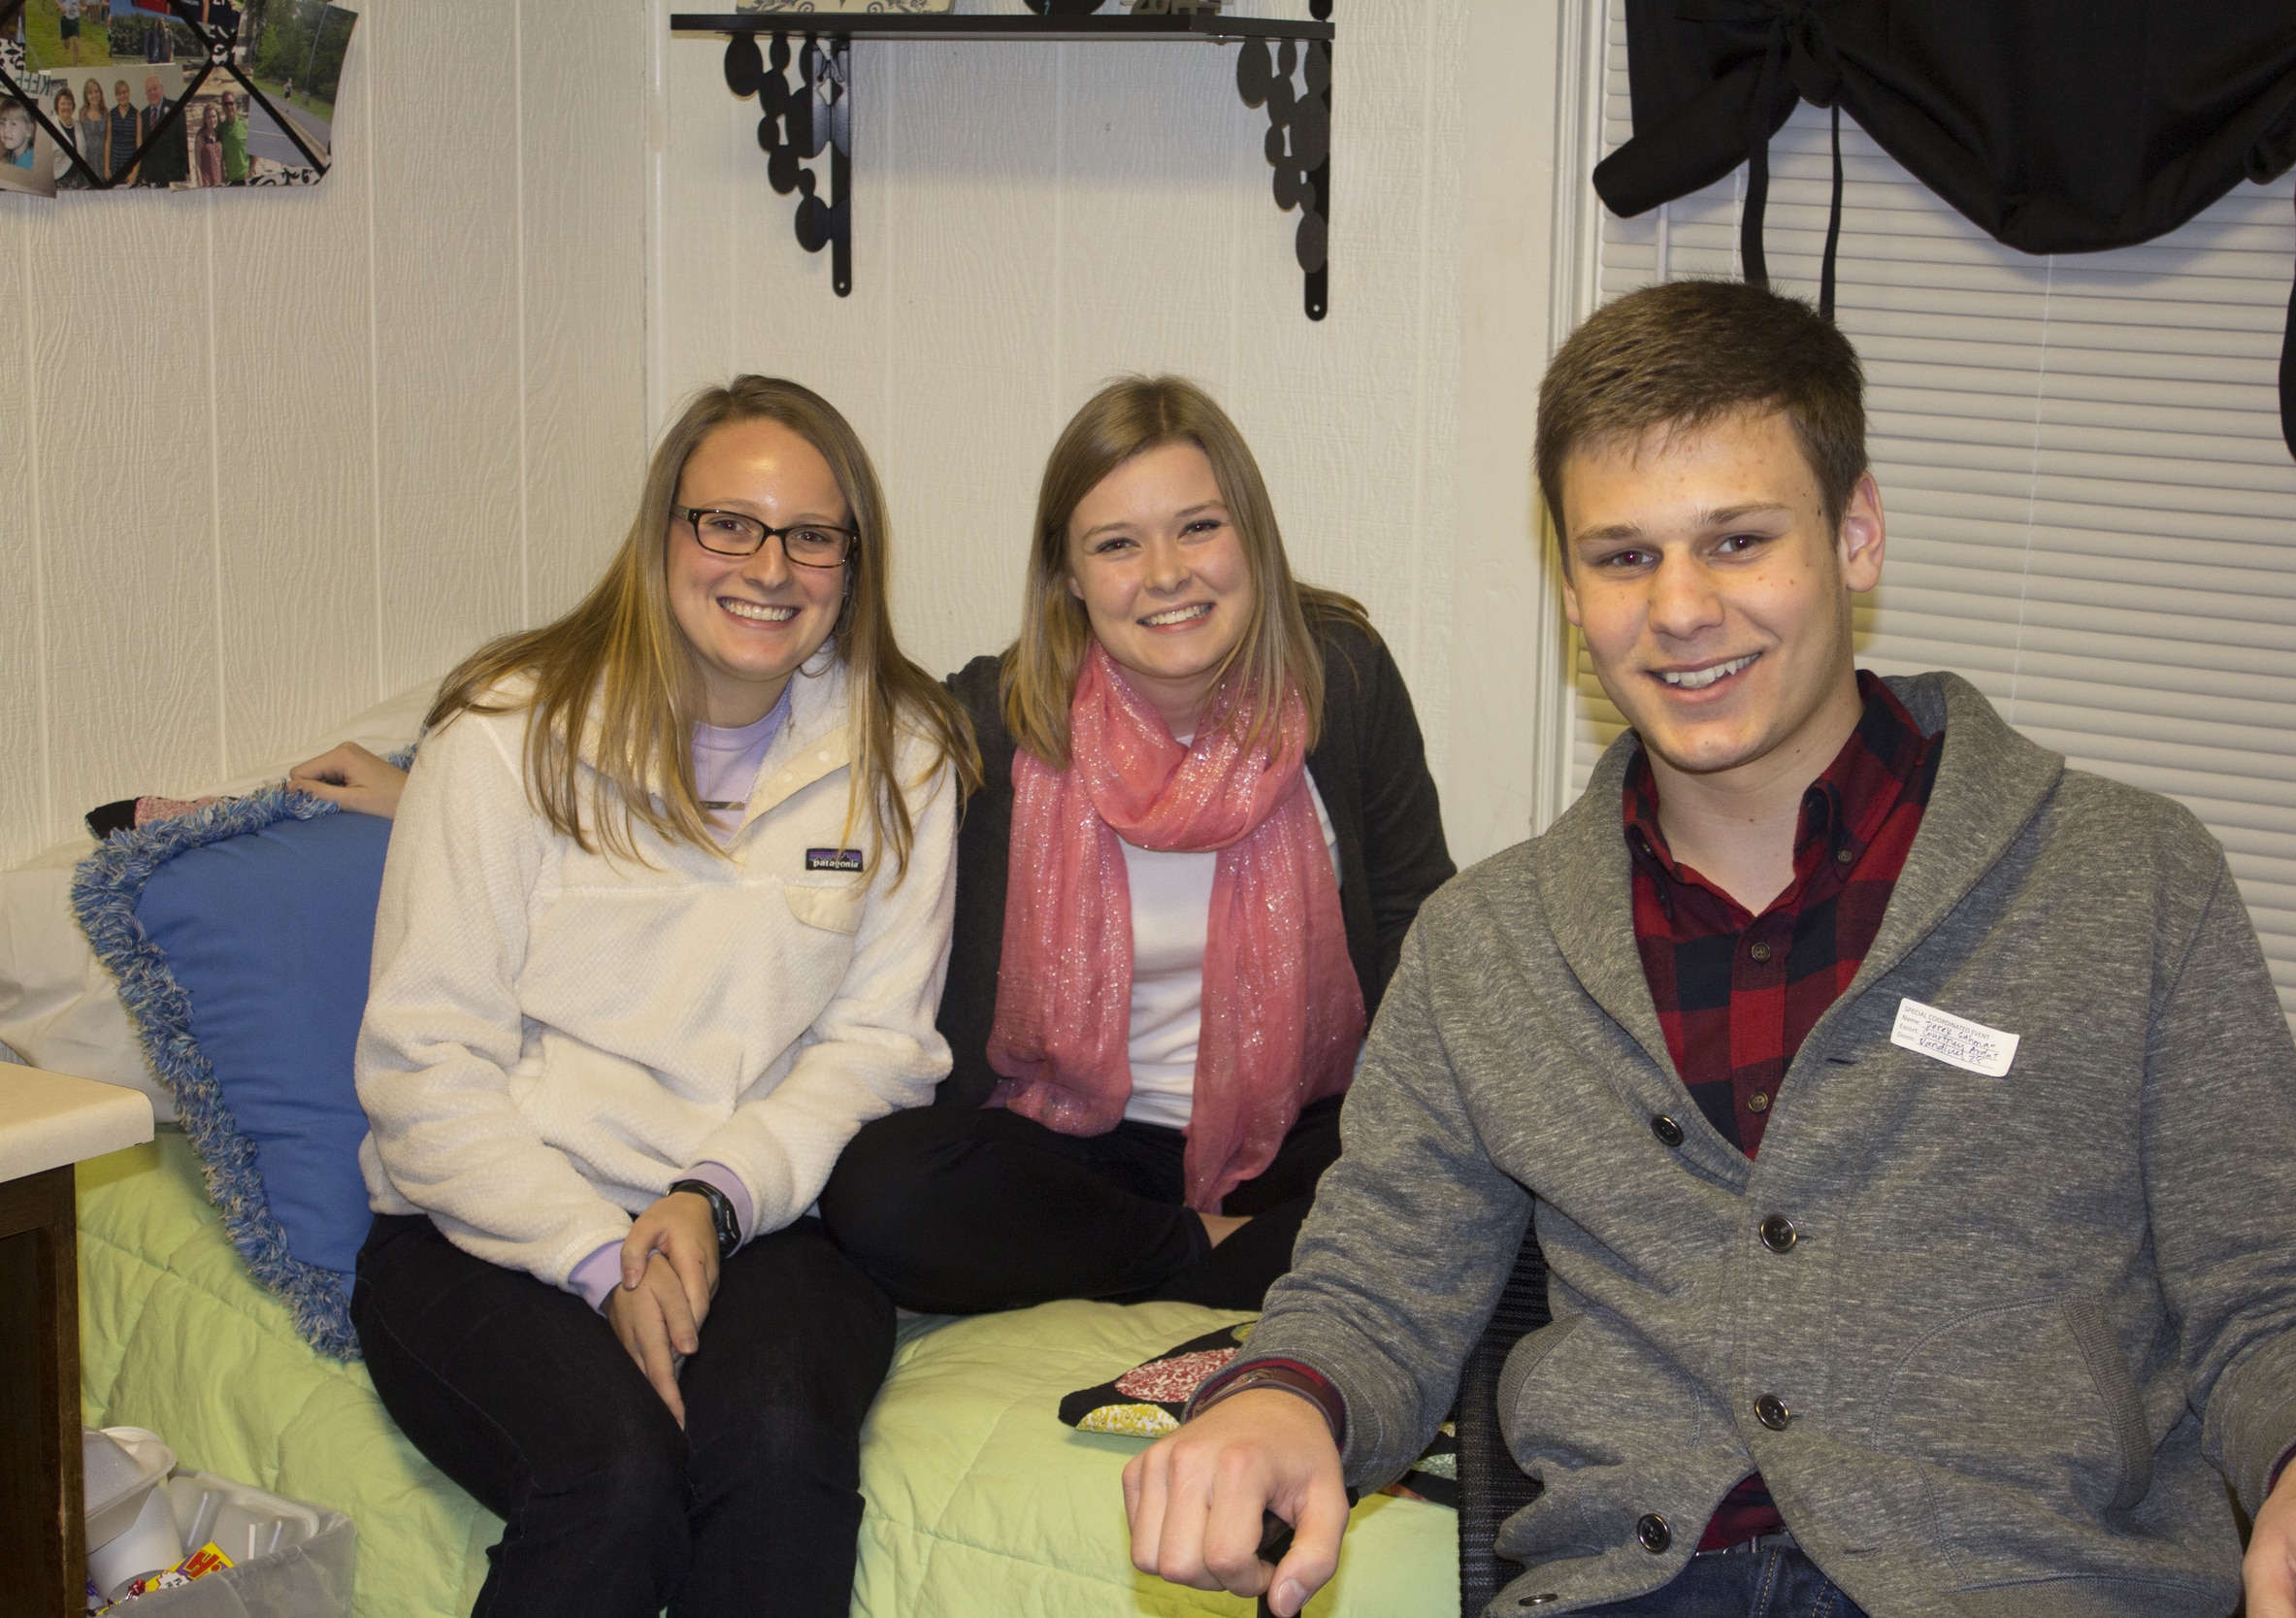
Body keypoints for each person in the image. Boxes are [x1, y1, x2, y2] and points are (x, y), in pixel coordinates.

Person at [1122, 281, 2296, 1618]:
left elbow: (2270, 1279)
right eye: (1625, 556)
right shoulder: (1486, 950)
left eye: (1738, 540)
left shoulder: (2131, 878)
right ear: (1571, 586)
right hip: (1637, 1585)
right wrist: (1285, 1393)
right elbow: (1379, 1277)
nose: (1682, 608)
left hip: (2026, 1571)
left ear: (1856, 534)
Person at [338, 376, 975, 1618]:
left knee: (780, 1455)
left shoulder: (903, 755)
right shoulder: (503, 737)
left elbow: (877, 1049)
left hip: (767, 1219)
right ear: (663, 533)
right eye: (726, 523)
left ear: (852, 562)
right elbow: (424, 1068)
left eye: (812, 536)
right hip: (492, 1226)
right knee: (614, 1480)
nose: (769, 566)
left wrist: (712, 1198)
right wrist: (597, 1255)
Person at [815, 376, 1454, 1314]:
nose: (1165, 573)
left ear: (1253, 538)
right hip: (1077, 1146)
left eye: (1198, 526)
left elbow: (1416, 920)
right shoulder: (994, 719)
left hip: (1300, 1135)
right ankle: (1221, 1257)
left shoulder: (1342, 678)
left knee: (1464, 1196)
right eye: (1117, 544)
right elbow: (828, 730)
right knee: (880, 1190)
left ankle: (1167, 1261)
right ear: (1068, 575)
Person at [137, 75, 185, 187]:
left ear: (161, 88)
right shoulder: (142, 115)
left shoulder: (176, 108)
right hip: (151, 178)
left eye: (155, 88)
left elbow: (183, 140)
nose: (152, 93)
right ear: (146, 94)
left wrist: (182, 170)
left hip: (174, 176)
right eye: (149, 90)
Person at [78, 79, 109, 181]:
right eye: (90, 93)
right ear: (86, 96)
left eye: (96, 91)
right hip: (87, 162)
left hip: (103, 162)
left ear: (100, 93)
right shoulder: (82, 113)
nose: (94, 95)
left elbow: (109, 139)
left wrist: (107, 167)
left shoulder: (106, 112)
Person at [216, 89, 246, 182]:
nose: (229, 107)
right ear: (223, 107)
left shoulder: (245, 125)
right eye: (226, 104)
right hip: (230, 180)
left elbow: (255, 153)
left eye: (231, 103)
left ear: (235, 105)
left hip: (246, 177)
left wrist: (250, 172)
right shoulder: (220, 129)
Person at [194, 101, 220, 185]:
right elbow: (197, 165)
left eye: (214, 116)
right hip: (207, 182)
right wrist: (200, 185)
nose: (212, 120)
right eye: (209, 117)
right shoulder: (200, 136)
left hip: (220, 179)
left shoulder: (219, 133)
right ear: (205, 119)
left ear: (217, 117)